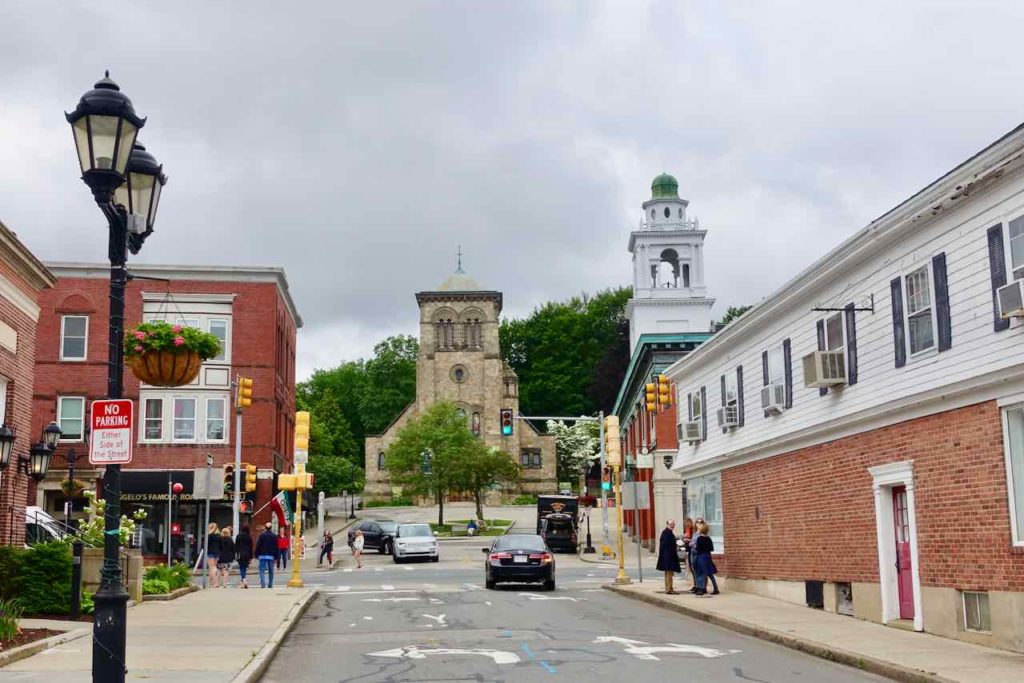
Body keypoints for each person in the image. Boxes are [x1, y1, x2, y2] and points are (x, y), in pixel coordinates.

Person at [692, 521, 720, 596]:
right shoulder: (709, 538)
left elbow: (697, 549)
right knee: (710, 573)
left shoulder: (699, 538)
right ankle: (716, 588)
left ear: (701, 530)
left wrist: (695, 547)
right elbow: (712, 548)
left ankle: (701, 589)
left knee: (700, 573)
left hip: (701, 557)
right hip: (708, 556)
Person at [656, 519, 682, 594]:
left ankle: (669, 588)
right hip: (668, 556)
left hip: (668, 555)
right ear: (667, 525)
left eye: (673, 524)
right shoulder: (666, 533)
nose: (672, 525)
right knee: (669, 573)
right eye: (670, 524)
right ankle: (669, 589)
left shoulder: (668, 532)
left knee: (669, 573)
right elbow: (667, 545)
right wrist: (675, 545)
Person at [255, 522, 278, 589]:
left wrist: (256, 554)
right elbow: (276, 547)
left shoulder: (261, 535)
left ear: (265, 527)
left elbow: (258, 545)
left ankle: (263, 583)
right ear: (271, 528)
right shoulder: (274, 536)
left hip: (262, 555)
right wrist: (276, 557)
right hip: (271, 556)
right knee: (271, 571)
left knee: (261, 570)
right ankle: (270, 584)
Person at [235, 524, 253, 589]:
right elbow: (251, 547)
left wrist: (236, 554)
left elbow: (236, 546)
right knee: (244, 568)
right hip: (247, 554)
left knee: (241, 567)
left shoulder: (238, 536)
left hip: (240, 553)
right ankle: (243, 582)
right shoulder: (249, 537)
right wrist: (251, 557)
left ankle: (244, 579)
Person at [205, 522, 221, 588]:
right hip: (217, 553)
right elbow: (221, 545)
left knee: (212, 568)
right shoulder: (219, 536)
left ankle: (215, 583)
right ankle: (210, 582)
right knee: (212, 568)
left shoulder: (209, 536)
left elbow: (206, 545)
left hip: (210, 552)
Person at [681, 517, 695, 588]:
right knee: (691, 568)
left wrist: (688, 540)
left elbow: (694, 540)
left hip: (692, 550)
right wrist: (684, 539)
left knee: (693, 568)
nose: (686, 525)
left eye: (687, 524)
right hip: (688, 550)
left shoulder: (693, 530)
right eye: (685, 524)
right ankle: (695, 585)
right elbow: (684, 538)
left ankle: (696, 585)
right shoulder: (686, 530)